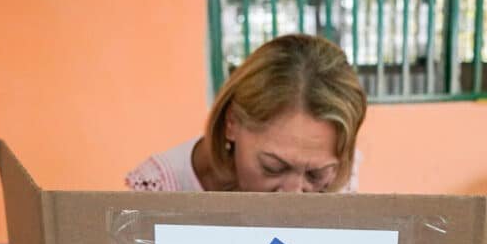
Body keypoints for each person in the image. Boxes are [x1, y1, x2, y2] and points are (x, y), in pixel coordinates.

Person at [126, 34, 367, 193]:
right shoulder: (160, 188)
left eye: (315, 175)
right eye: (273, 167)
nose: (294, 195)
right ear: (231, 123)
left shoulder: (339, 170)